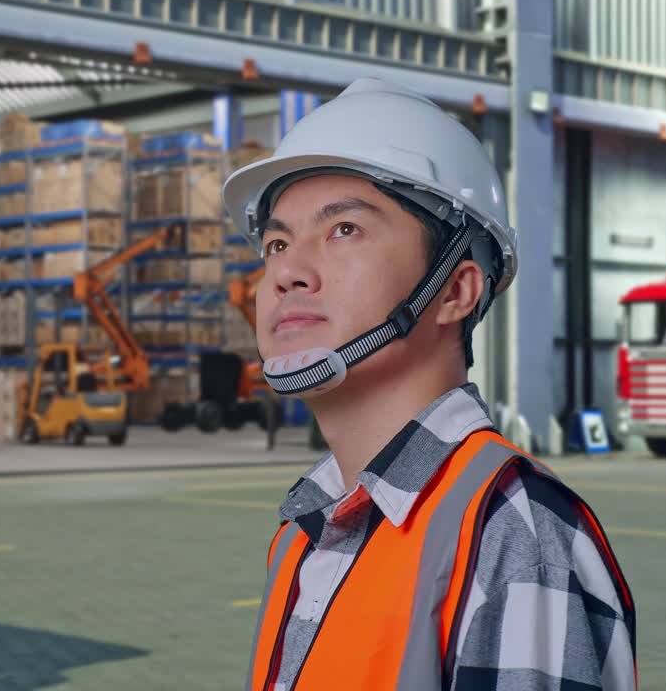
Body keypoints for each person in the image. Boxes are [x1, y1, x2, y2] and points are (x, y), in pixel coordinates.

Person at [223, 78, 636, 691]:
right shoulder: (302, 531)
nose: (286, 270)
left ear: (454, 290)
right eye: (277, 242)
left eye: (343, 231)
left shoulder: (511, 531)